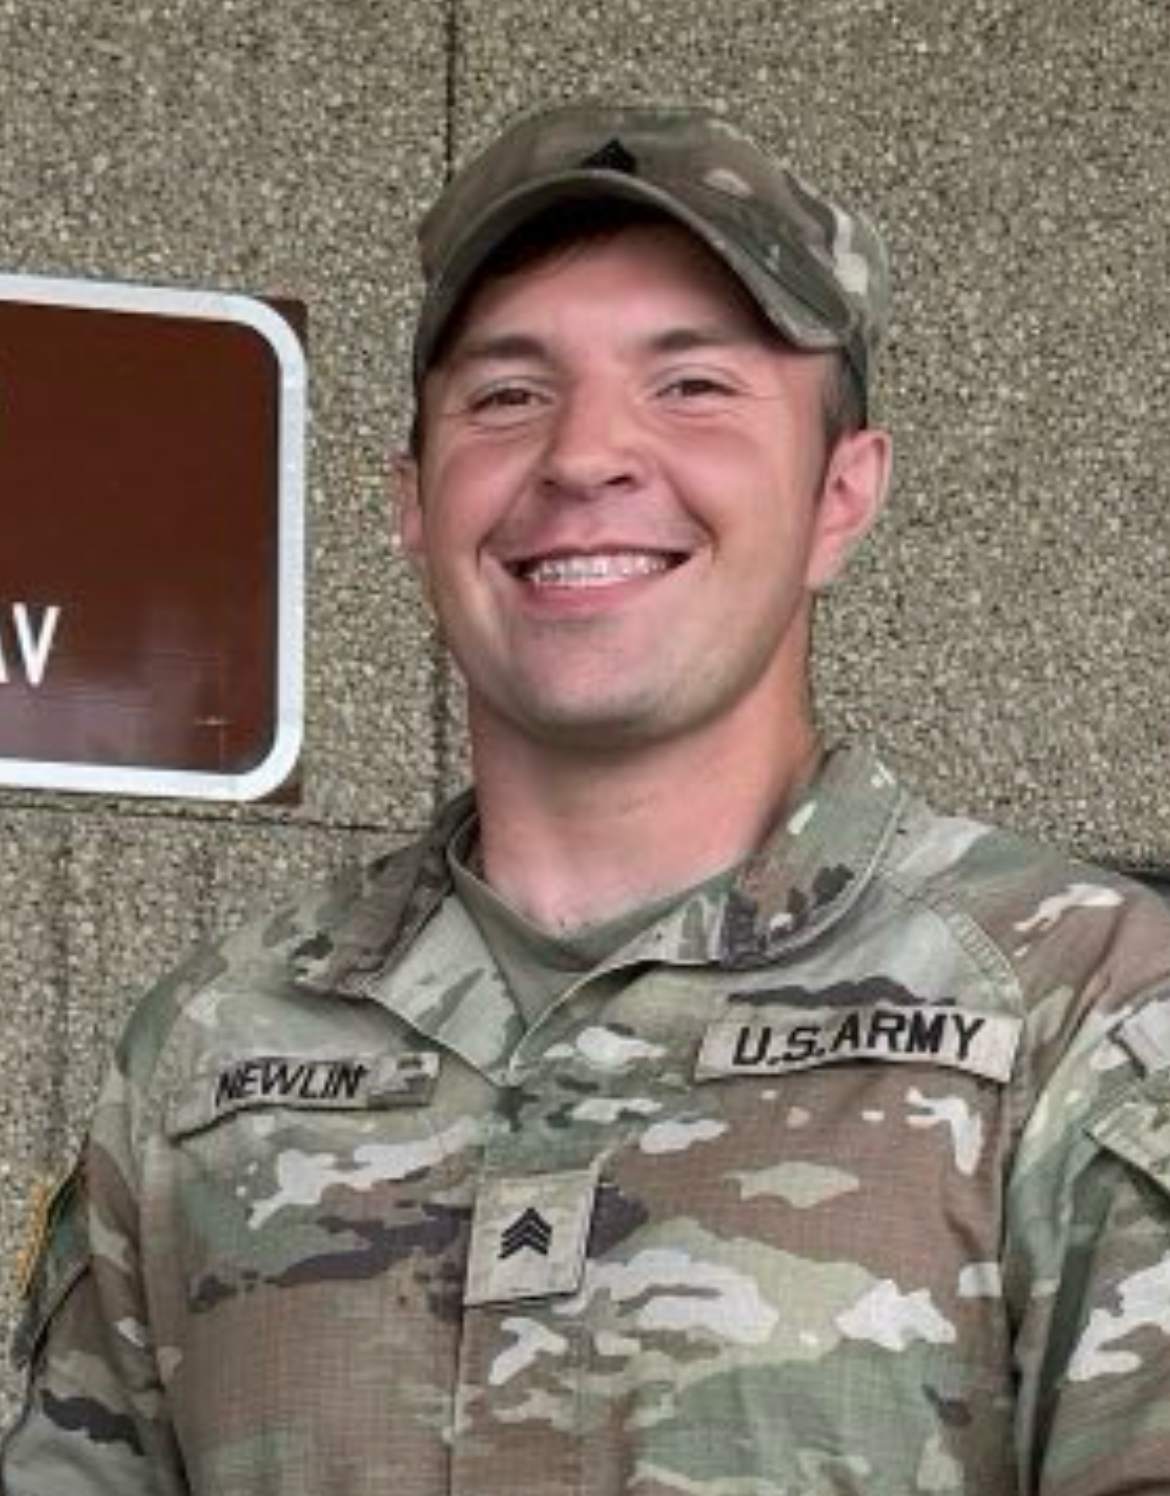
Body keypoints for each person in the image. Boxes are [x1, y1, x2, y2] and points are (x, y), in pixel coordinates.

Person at [4, 102, 1170, 1496]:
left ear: (839, 497)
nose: (582, 457)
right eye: (507, 394)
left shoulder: (1082, 1012)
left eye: (693, 387)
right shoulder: (209, 1052)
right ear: (410, 505)